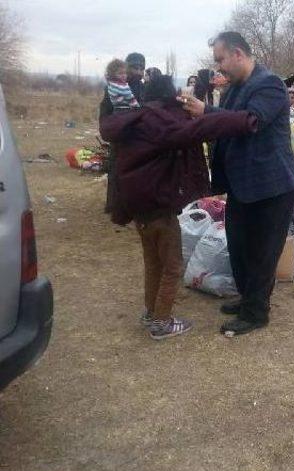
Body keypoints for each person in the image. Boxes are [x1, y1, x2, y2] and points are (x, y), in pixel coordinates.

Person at [99, 75, 258, 340]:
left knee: (154, 263)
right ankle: (161, 323)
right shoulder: (159, 123)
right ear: (170, 97)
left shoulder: (137, 119)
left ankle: (151, 313)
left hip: (139, 208)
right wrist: (243, 119)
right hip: (158, 208)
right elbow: (198, 130)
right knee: (172, 266)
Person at [182, 31, 294, 337]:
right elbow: (224, 122)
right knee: (239, 246)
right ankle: (248, 297)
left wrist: (206, 112)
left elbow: (248, 121)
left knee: (262, 252)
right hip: (242, 185)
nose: (219, 67)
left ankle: (257, 312)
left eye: (221, 60)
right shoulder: (234, 88)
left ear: (238, 54)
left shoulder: (270, 84)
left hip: (271, 186)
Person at [100, 52, 146, 216]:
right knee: (116, 171)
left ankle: (135, 205)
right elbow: (105, 112)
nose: (138, 72)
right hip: (119, 136)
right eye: (134, 67)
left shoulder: (144, 88)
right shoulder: (113, 87)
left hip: (139, 137)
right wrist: (110, 129)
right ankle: (115, 206)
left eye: (142, 68)